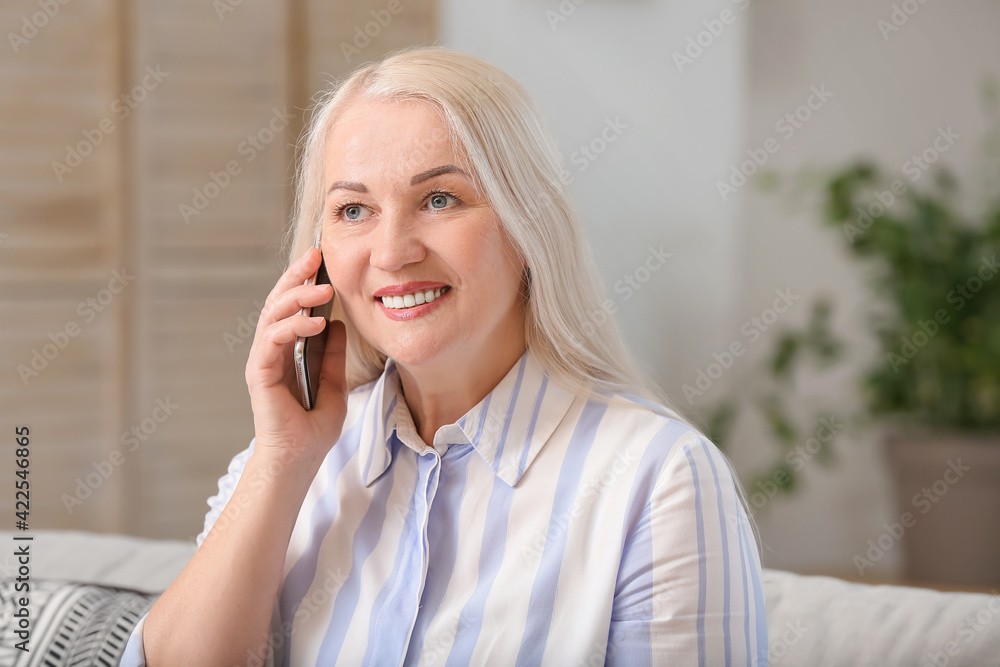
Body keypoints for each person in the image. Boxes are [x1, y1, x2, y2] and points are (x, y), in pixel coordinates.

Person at [121, 45, 767, 666]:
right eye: (354, 209)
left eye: (439, 200)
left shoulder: (660, 478)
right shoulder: (290, 460)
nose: (391, 251)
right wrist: (281, 459)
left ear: (528, 226)